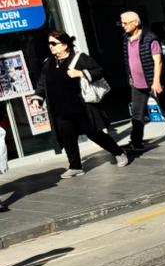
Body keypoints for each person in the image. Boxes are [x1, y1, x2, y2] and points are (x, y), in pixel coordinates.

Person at [35, 32, 128, 176]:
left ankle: (119, 153)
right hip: (60, 109)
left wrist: (80, 73)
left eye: (54, 43)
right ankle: (75, 166)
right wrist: (37, 98)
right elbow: (42, 82)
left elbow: (99, 71)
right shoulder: (49, 62)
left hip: (81, 108)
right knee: (68, 138)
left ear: (65, 45)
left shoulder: (79, 58)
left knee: (95, 134)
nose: (50, 46)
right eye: (49, 44)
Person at [120, 11, 165, 148]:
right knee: (137, 115)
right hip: (137, 84)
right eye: (122, 23)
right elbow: (129, 61)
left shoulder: (150, 38)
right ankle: (136, 142)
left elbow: (158, 61)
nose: (123, 26)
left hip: (152, 81)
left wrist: (156, 82)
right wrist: (130, 78)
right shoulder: (126, 39)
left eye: (125, 23)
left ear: (135, 23)